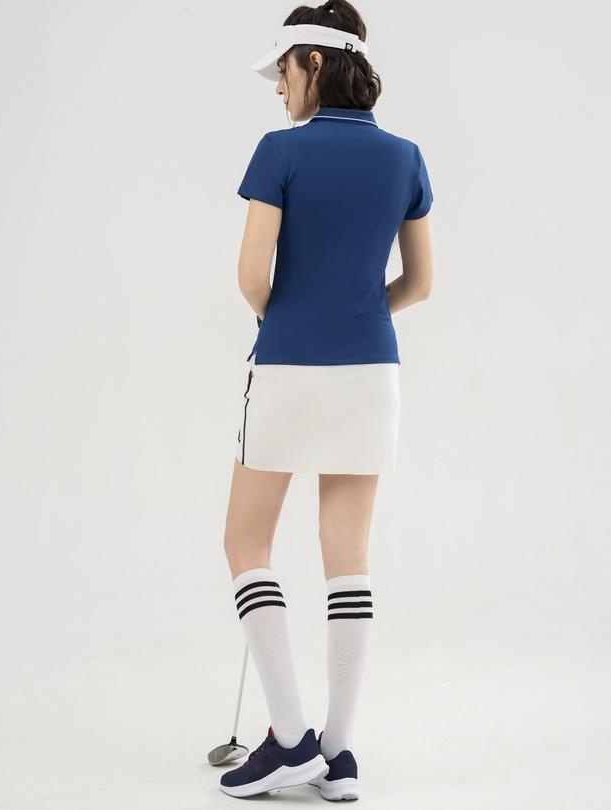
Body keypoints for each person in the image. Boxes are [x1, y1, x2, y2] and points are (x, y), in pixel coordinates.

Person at [220, 0, 434, 800]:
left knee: (246, 543)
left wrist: (287, 318)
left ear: (313, 61)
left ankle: (288, 738)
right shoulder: (406, 157)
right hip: (371, 371)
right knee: (348, 553)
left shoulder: (279, 151)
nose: (278, 88)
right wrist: (358, 311)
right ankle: (338, 753)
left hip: (288, 366)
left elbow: (251, 277)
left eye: (282, 71)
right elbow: (420, 284)